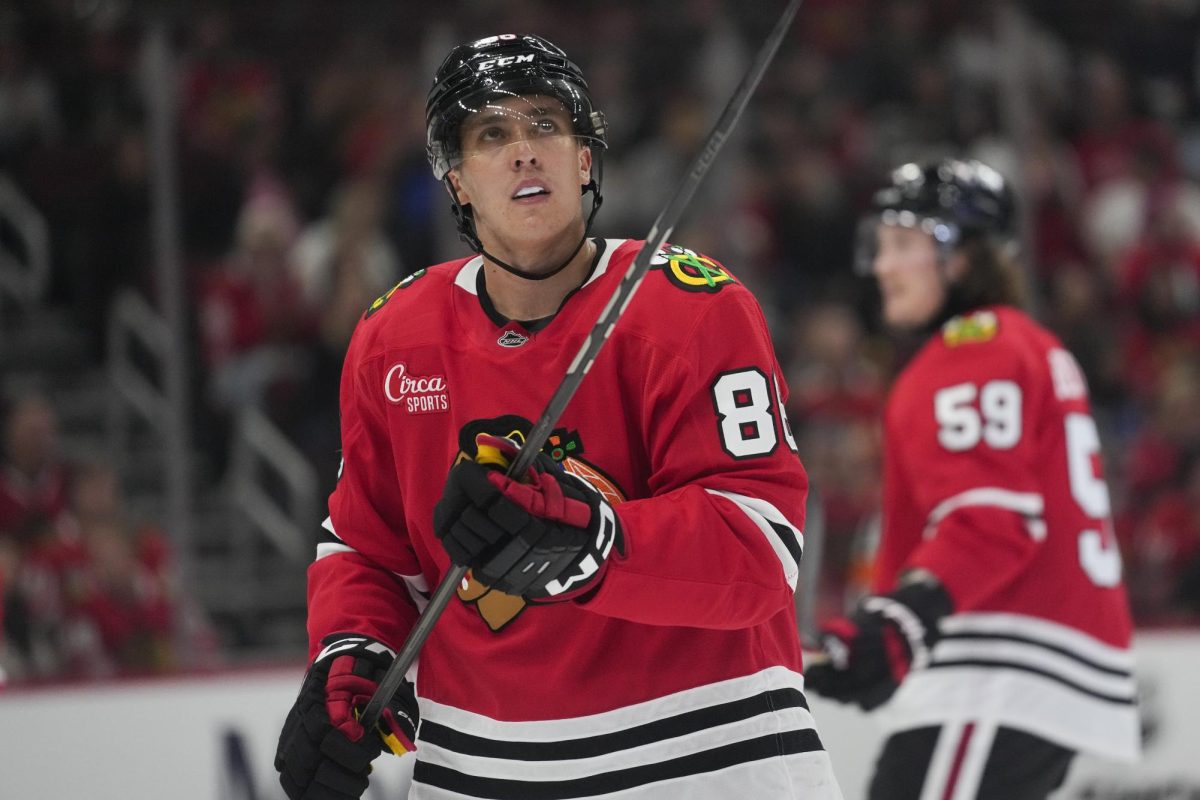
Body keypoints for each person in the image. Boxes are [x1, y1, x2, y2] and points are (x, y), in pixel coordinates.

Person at [274, 33, 842, 800]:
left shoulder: (691, 307)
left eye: (546, 125)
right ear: (456, 180)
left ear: (584, 160)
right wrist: (351, 653)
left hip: (713, 752)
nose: (524, 151)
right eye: (492, 134)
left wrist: (595, 540)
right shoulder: (393, 337)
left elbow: (760, 553)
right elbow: (366, 549)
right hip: (479, 770)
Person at [804, 159, 1140, 799]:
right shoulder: (1022, 344)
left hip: (999, 664)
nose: (881, 266)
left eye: (903, 245)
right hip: (1020, 665)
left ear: (962, 259)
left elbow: (991, 521)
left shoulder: (973, 349)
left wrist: (906, 620)